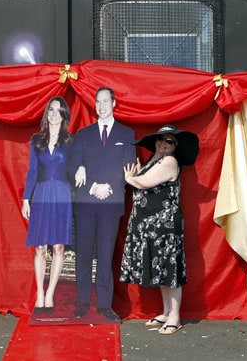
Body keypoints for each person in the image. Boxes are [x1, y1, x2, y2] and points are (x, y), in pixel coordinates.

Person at [120, 124, 200, 335]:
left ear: (175, 147)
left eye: (170, 141)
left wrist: (131, 179)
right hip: (149, 225)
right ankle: (166, 312)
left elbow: (143, 183)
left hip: (164, 225)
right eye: (161, 139)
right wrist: (136, 178)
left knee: (170, 271)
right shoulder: (151, 161)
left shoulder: (170, 162)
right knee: (162, 271)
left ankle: (175, 317)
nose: (164, 143)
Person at [70, 86, 136, 321]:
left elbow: (128, 166)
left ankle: (105, 306)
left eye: (105, 101)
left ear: (114, 103)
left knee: (106, 255)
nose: (101, 106)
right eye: (98, 102)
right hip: (86, 203)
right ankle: (82, 303)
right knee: (84, 253)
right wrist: (90, 185)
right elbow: (73, 166)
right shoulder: (83, 134)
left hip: (111, 202)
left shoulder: (126, 134)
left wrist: (107, 187)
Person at [21, 96, 74, 313]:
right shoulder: (36, 140)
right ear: (47, 113)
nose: (54, 114)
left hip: (62, 194)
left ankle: (50, 293)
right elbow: (32, 171)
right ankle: (40, 294)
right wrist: (26, 199)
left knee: (58, 246)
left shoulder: (71, 141)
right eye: (51, 109)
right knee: (40, 247)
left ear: (64, 116)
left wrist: (80, 169)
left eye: (58, 110)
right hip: (41, 194)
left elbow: (78, 164)